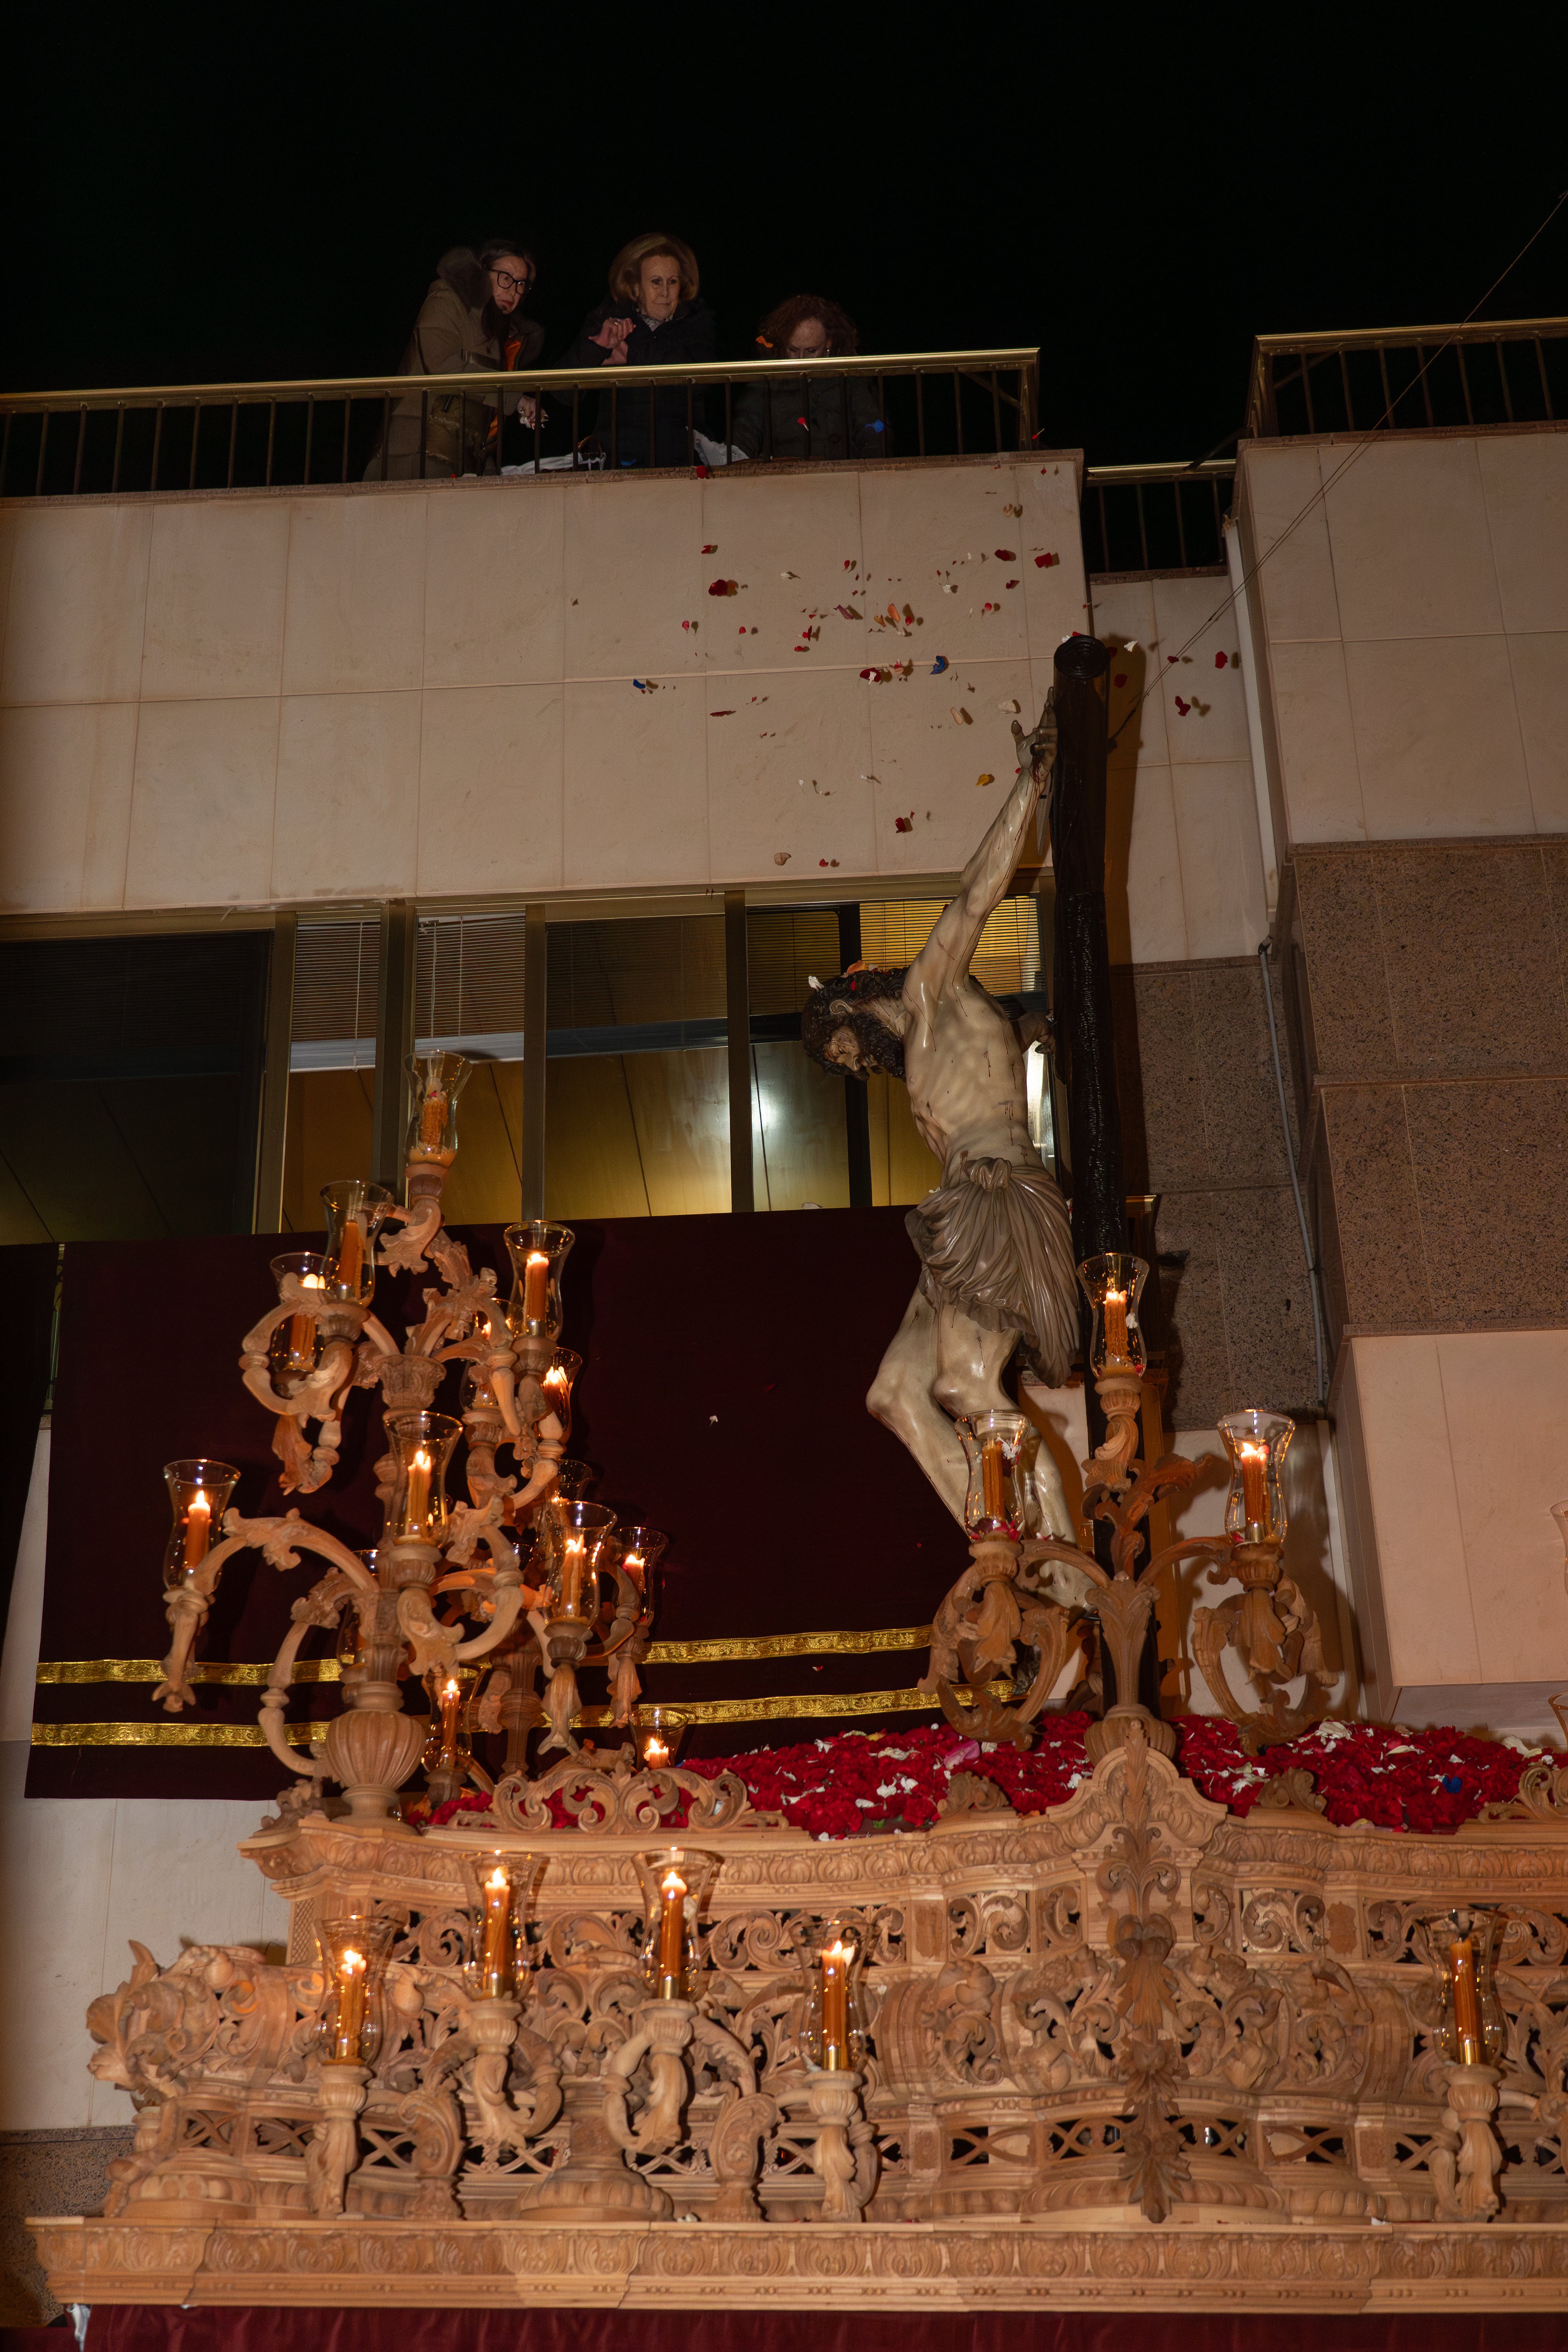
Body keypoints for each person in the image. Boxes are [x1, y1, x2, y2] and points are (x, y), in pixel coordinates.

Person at [801, 701, 1078, 1543]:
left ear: (859, 990)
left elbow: (976, 892)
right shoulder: (922, 1049)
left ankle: (1063, 1558)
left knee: (964, 1384)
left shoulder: (932, 992)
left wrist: (1030, 787)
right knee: (893, 1393)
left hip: (996, 1191)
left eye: (847, 1046)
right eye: (846, 1067)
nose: (856, 1064)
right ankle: (999, 1543)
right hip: (964, 1203)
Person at [368, 240, 544, 481]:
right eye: (506, 278)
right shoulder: (448, 300)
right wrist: (515, 397)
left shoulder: (498, 332)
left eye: (521, 284)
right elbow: (442, 366)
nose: (513, 291)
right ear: (482, 273)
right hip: (419, 450)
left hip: (466, 457)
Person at [556, 234, 715, 468]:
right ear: (635, 288)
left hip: (681, 460)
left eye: (672, 282)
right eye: (656, 282)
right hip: (618, 460)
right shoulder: (608, 320)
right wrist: (597, 349)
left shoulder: (697, 324)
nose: (665, 292)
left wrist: (631, 356)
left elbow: (699, 380)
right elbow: (564, 393)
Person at [731, 296, 887, 463]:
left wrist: (872, 458)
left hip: (839, 479)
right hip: (783, 482)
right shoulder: (767, 381)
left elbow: (877, 425)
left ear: (829, 343)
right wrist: (736, 456)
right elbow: (745, 428)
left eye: (811, 351)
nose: (800, 360)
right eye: (793, 350)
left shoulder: (849, 379)